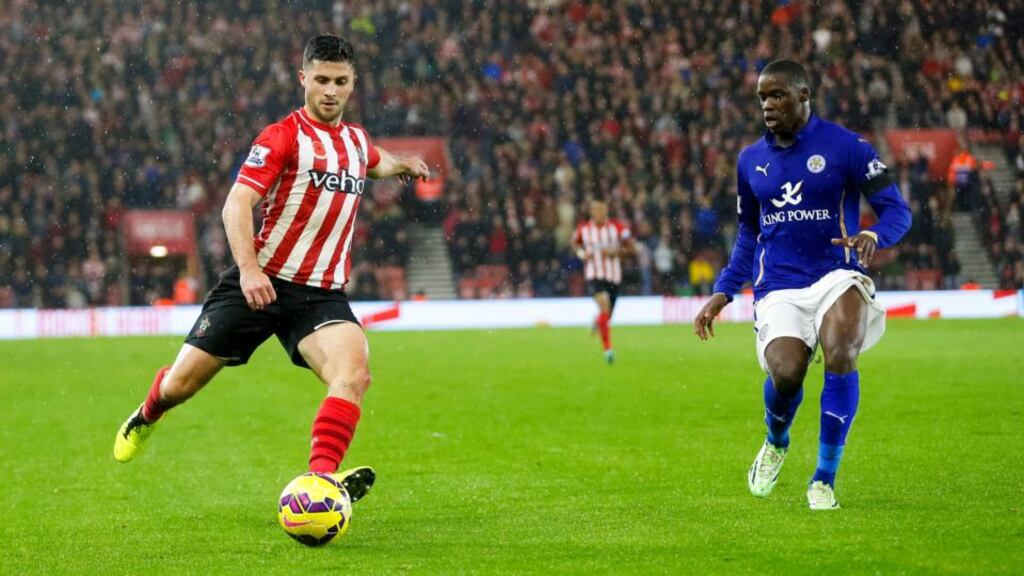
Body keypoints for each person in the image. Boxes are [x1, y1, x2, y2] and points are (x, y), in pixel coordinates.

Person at [113, 35, 430, 505]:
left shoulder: (357, 143)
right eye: (320, 80)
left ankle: (320, 480)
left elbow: (376, 162)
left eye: (340, 82)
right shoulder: (281, 137)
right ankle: (147, 412)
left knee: (354, 373)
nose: (330, 91)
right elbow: (236, 204)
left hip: (321, 294)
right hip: (260, 282)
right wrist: (248, 270)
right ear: (303, 79)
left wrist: (404, 163)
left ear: (353, 84)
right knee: (181, 386)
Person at [693, 60, 911, 510]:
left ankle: (823, 480)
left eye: (777, 95)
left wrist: (872, 234)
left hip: (838, 273)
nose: (767, 106)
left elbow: (897, 211)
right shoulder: (751, 160)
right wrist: (723, 290)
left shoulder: (847, 147)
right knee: (787, 374)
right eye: (761, 98)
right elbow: (749, 234)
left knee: (840, 349)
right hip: (779, 286)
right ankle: (776, 440)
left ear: (804, 94)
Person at [571, 197, 633, 363]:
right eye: (596, 210)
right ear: (592, 211)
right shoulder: (583, 229)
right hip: (594, 275)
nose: (599, 213)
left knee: (607, 315)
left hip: (614, 277)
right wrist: (582, 254)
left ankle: (598, 321)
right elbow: (575, 244)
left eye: (602, 210)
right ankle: (608, 350)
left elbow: (631, 246)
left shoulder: (617, 227)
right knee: (604, 306)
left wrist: (618, 251)